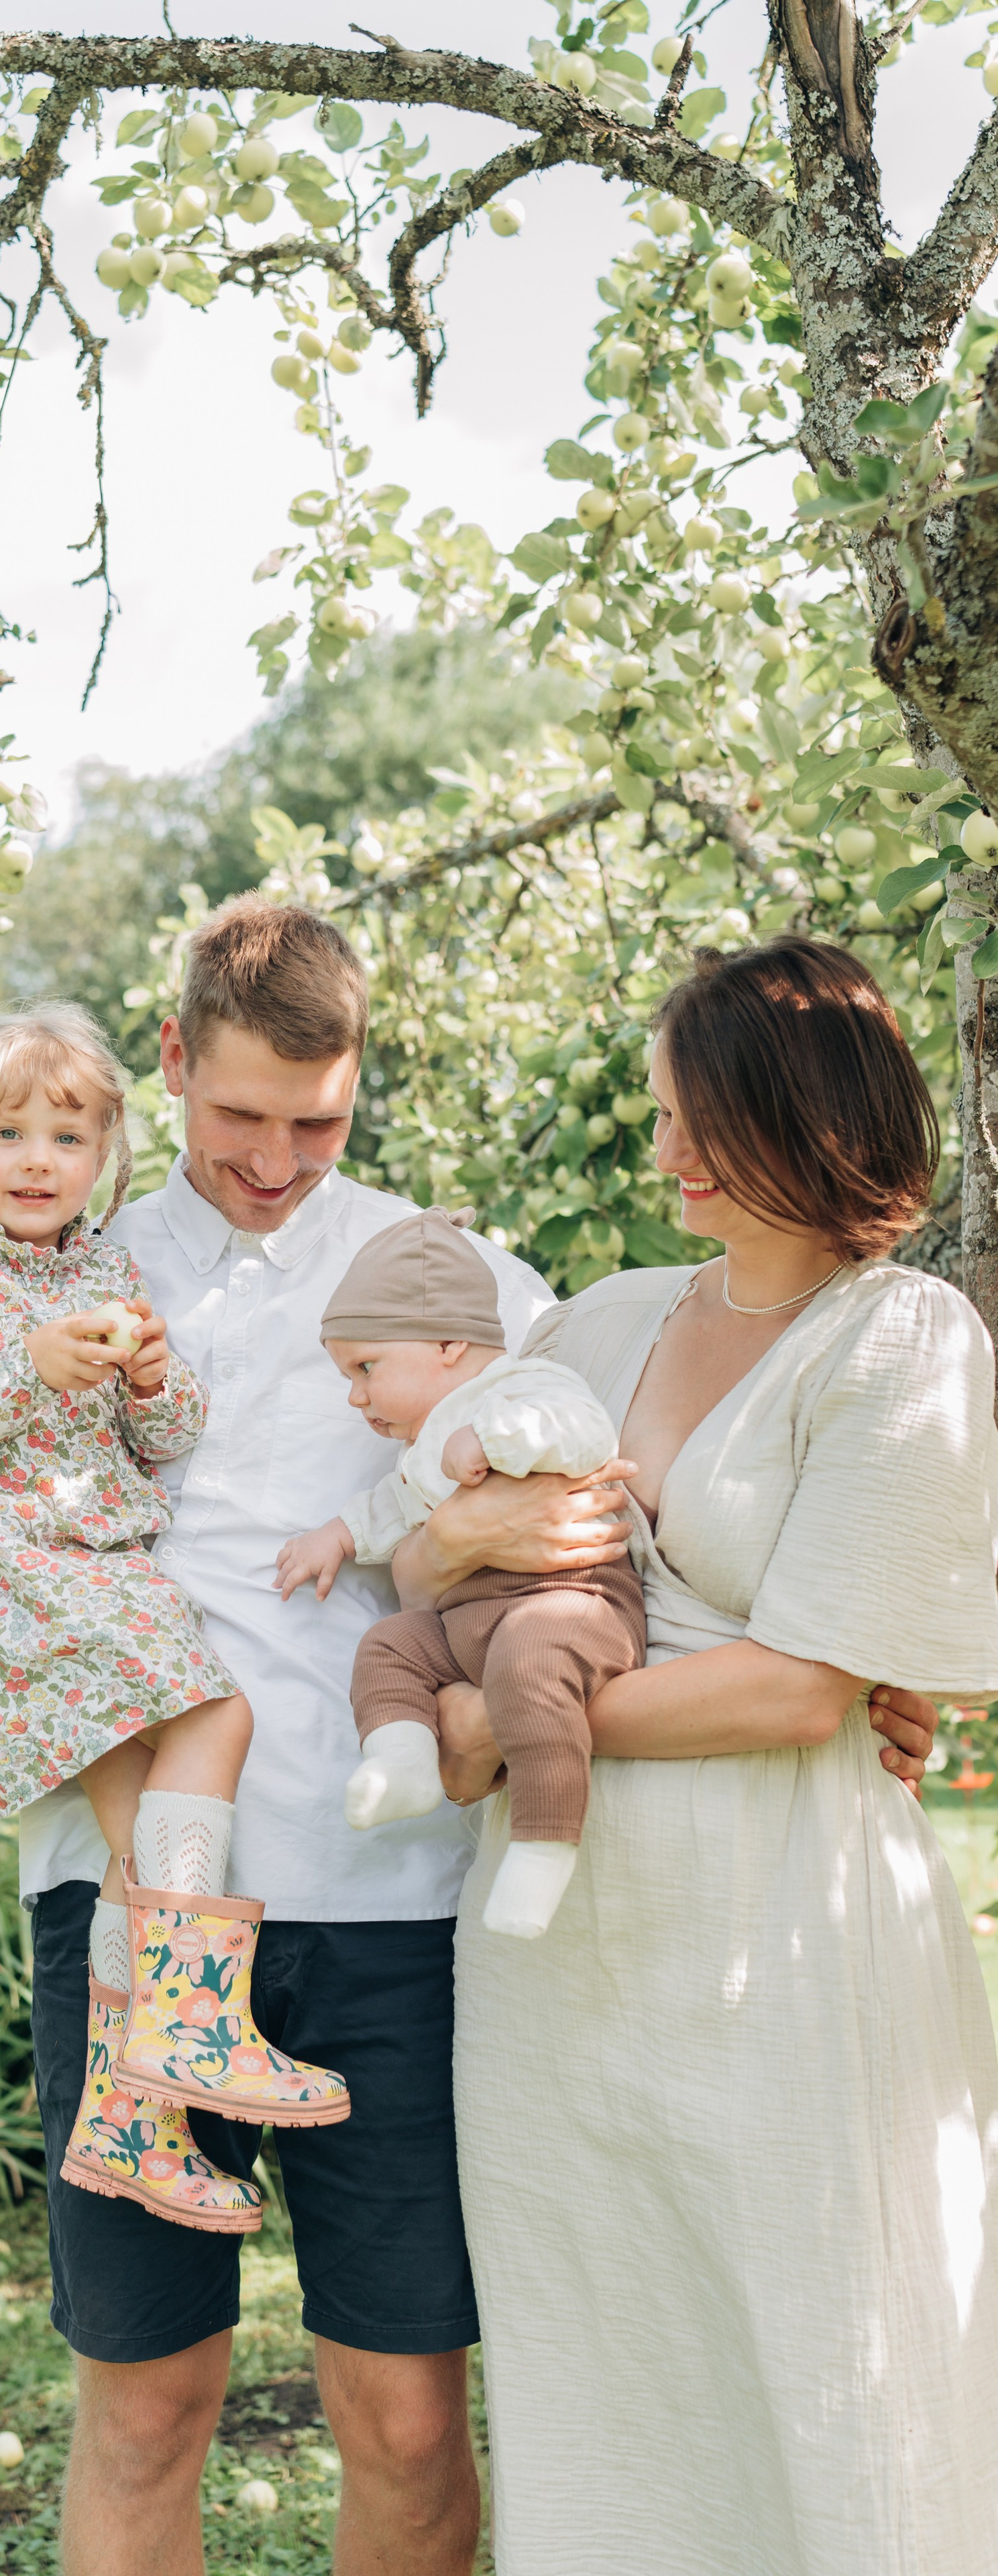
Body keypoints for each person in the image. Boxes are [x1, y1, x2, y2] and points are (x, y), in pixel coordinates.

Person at [25, 900, 936, 2576]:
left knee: (404, 2419)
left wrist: (861, 1667)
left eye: (317, 1117)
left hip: (393, 1914)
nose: (277, 1156)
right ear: (168, 1066)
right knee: (145, 2406)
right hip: (131, 1911)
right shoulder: (57, 1265)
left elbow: (624, 1517)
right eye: (238, 1118)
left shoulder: (466, 1287)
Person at [406, 938, 998, 2575]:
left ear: (794, 1117)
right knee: (600, 2371)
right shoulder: (596, 1325)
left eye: (691, 1120)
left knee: (825, 2357)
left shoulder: (900, 1341)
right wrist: (461, 1528)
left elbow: (798, 1688)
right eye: (656, 1114)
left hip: (779, 1943)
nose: (657, 1153)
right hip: (556, 1971)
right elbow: (429, 1549)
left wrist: (488, 1726)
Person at [0, 1000, 347, 2247]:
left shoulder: (106, 1271)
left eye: (65, 1140)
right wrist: (29, 1362)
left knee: (153, 1847)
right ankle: (182, 2044)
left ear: (107, 1153)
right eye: (7, 1132)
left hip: (95, 1588)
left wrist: (147, 1376)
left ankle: (134, 2120)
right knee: (212, 1726)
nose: (35, 1161)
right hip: (8, 1599)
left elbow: (163, 1438)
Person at [274, 1205, 645, 1937]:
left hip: (569, 1603)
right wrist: (337, 1536)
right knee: (389, 1647)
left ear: (447, 1342)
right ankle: (402, 1758)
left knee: (529, 1664)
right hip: (468, 1621)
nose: (355, 1395)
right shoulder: (423, 1445)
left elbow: (582, 1431)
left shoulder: (523, 1386)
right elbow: (393, 1505)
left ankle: (544, 1843)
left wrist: (496, 1437)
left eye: (365, 1369)